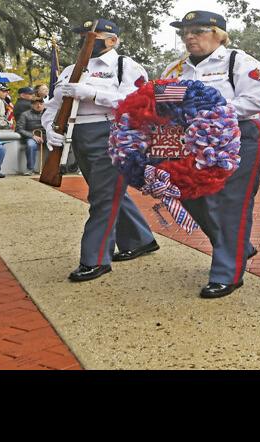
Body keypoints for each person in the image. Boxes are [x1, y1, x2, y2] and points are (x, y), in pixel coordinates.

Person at [160, 11, 260, 299]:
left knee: (230, 204)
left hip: (238, 137)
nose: (189, 36)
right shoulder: (175, 69)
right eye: (184, 31)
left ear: (219, 34)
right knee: (184, 192)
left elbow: (257, 100)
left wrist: (208, 111)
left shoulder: (240, 62)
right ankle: (237, 248)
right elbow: (161, 101)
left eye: (197, 30)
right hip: (191, 142)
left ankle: (226, 273)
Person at [43, 18, 157, 282]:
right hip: (77, 135)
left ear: (112, 40)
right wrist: (50, 127)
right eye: (83, 36)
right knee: (108, 190)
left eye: (92, 36)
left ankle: (95, 258)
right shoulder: (71, 68)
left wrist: (93, 94)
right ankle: (140, 239)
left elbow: (137, 101)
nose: (86, 41)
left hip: (111, 132)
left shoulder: (124, 66)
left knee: (103, 198)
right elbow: (52, 104)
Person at [15, 98, 45, 176]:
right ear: (32, 105)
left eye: (41, 104)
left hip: (46, 136)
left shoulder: (48, 113)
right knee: (31, 145)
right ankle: (30, 169)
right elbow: (19, 129)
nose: (39, 105)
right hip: (32, 136)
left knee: (58, 144)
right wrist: (32, 136)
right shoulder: (25, 114)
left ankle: (57, 168)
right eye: (36, 104)